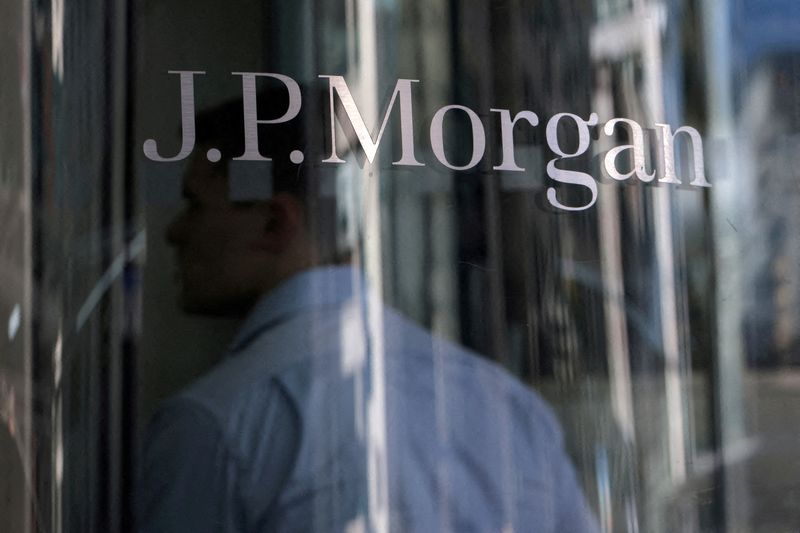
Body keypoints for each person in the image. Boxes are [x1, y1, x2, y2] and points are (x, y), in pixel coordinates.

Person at [138, 88, 600, 532]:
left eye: (194, 206)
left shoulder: (217, 426)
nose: (174, 231)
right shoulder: (507, 408)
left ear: (277, 222)